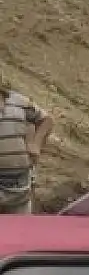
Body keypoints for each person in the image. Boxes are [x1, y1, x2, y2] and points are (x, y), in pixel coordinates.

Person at [0, 78, 53, 215]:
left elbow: (46, 120)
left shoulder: (19, 102)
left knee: (20, 233)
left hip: (20, 190)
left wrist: (36, 143)